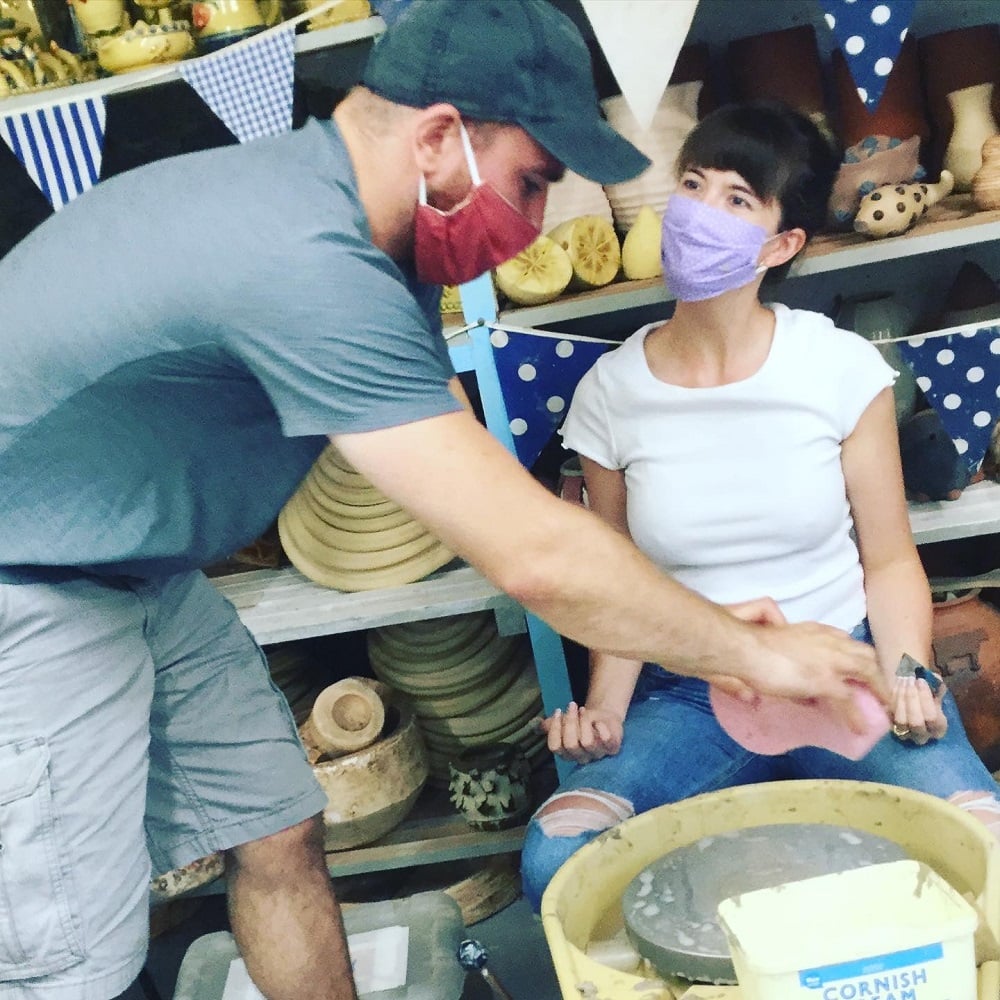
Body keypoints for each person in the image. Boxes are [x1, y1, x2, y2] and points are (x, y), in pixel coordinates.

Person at [0, 3, 886, 995]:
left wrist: (710, 627)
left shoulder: (385, 251)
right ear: (438, 138)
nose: (541, 217)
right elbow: (533, 555)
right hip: (26, 580)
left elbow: (499, 500)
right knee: (67, 961)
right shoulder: (306, 257)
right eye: (534, 180)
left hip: (140, 568)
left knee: (276, 826)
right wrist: (752, 651)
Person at [521, 100, 1000, 913]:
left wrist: (907, 671)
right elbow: (617, 584)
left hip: (845, 673)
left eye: (738, 200)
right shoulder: (610, 393)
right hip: (688, 694)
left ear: (782, 244)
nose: (700, 212)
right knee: (557, 860)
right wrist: (602, 714)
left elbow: (887, 561)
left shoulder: (839, 367)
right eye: (693, 185)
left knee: (987, 846)